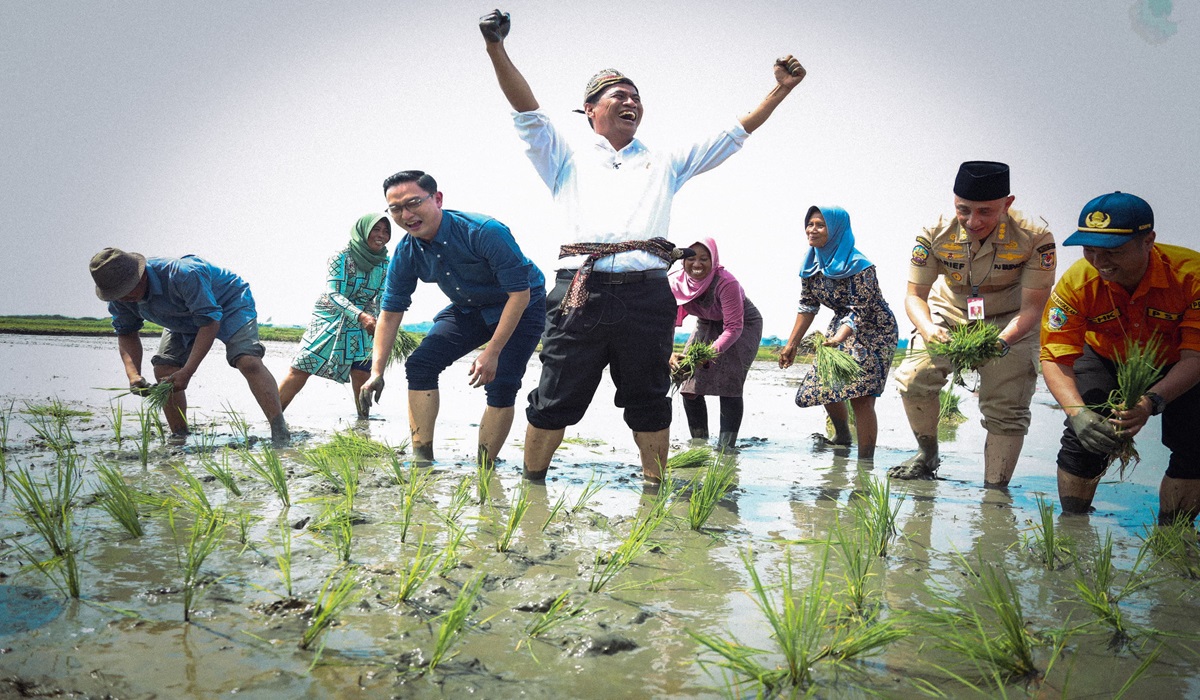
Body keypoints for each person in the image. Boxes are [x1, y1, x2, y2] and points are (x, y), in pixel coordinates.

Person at [479, 8, 806, 482]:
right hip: (579, 292)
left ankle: (655, 491)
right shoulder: (564, 160)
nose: (631, 101)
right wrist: (496, 48)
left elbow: (733, 134)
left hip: (647, 294)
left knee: (651, 397)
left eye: (636, 96)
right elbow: (527, 111)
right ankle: (532, 491)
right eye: (619, 95)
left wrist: (781, 88)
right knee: (554, 397)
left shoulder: (665, 162)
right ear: (590, 109)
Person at [359, 170, 545, 464]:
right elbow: (391, 311)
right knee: (420, 364)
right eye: (396, 208)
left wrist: (492, 352)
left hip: (521, 304)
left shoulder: (483, 231)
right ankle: (422, 460)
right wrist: (377, 372)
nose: (406, 214)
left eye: (414, 203)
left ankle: (485, 469)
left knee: (501, 382)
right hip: (468, 307)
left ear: (438, 199)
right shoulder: (407, 251)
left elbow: (519, 295)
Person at [890, 161, 1056, 484]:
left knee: (1007, 409)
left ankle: (995, 491)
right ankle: (927, 455)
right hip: (949, 312)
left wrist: (1002, 341)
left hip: (1011, 321)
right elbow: (914, 297)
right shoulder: (933, 232)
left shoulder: (1036, 237)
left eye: (985, 212)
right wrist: (928, 329)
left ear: (1007, 204)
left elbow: (1034, 308)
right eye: (963, 210)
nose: (972, 221)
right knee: (914, 378)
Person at [1040, 191, 1200, 525]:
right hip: (1103, 355)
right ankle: (1072, 527)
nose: (1099, 263)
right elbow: (1055, 356)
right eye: (1090, 250)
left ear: (1148, 241)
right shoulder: (1078, 283)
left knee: (1195, 442)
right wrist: (1077, 412)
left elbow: (1195, 357)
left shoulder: (1191, 277)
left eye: (1113, 251)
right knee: (1086, 435)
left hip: (1178, 363)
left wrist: (1151, 402)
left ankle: (1174, 536)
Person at [88, 248, 289, 444]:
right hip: (179, 318)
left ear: (141, 276)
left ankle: (280, 433)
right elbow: (127, 333)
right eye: (117, 294)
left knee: (247, 360)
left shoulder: (183, 274)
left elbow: (209, 322)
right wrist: (133, 375)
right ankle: (179, 437)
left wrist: (188, 371)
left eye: (127, 291)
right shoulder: (119, 299)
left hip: (229, 303)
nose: (124, 299)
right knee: (164, 369)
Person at [778, 206, 897, 459]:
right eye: (809, 224)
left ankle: (865, 463)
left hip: (875, 329)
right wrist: (792, 344)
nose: (812, 229)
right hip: (840, 326)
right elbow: (808, 305)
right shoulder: (811, 264)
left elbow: (858, 309)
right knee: (826, 384)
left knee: (862, 398)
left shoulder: (860, 265)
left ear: (836, 229)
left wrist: (841, 336)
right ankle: (842, 435)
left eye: (820, 225)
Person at [278, 213, 391, 417]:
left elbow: (382, 297)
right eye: (376, 229)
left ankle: (363, 425)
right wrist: (360, 316)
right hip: (330, 318)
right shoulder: (341, 257)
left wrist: (383, 323)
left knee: (363, 372)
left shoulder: (384, 263)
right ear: (363, 231)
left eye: (385, 231)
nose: (381, 235)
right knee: (301, 368)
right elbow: (334, 293)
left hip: (364, 322)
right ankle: (273, 418)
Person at [669, 237, 763, 450]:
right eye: (691, 258)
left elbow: (733, 328)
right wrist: (670, 353)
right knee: (688, 382)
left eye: (704, 258)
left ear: (714, 261)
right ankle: (699, 445)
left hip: (742, 324)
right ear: (682, 261)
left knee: (729, 383)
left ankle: (726, 447)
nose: (697, 264)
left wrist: (707, 354)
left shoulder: (726, 282)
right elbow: (666, 324)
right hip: (707, 321)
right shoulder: (675, 282)